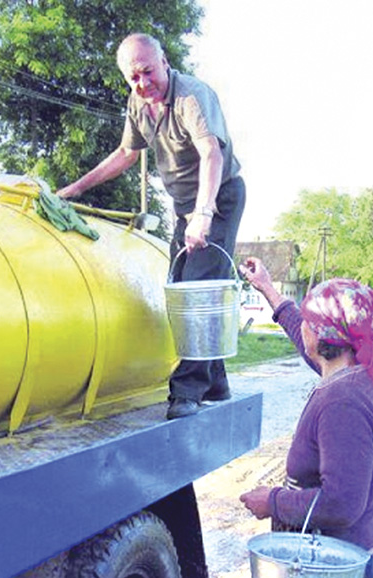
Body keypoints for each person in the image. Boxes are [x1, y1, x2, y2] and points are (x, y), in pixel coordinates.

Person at [57, 33, 246, 421]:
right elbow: (126, 153)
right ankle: (216, 382)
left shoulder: (191, 96)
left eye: (147, 72)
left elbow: (211, 153)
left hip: (218, 198)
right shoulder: (139, 103)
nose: (143, 83)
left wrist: (204, 213)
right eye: (133, 77)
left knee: (197, 287)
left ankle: (187, 392)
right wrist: (75, 188)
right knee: (180, 286)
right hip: (184, 206)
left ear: (163, 61)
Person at [238, 257, 373, 578]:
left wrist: (273, 502)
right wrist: (270, 290)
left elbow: (341, 503)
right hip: (367, 547)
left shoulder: (343, 403)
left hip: (347, 566)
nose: (304, 329)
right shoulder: (356, 369)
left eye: (309, 322)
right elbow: (304, 337)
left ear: (324, 337)